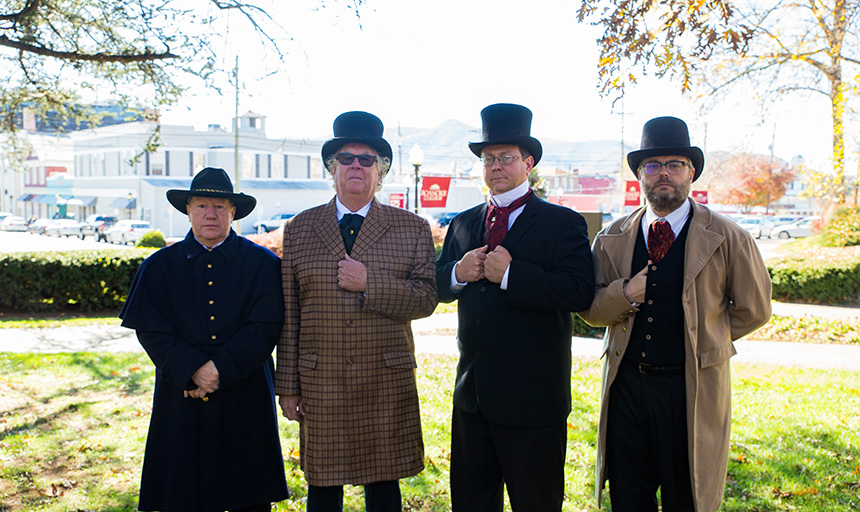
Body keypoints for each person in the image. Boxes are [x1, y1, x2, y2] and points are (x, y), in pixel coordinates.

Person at [579, 116, 772, 512]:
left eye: (674, 164)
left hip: (691, 388)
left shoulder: (729, 237)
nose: (663, 173)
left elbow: (755, 309)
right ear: (639, 175)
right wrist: (626, 293)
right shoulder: (611, 238)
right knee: (629, 497)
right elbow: (591, 312)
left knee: (688, 495)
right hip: (627, 389)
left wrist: (705, 336)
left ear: (691, 173)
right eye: (652, 166)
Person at [435, 103, 595, 511]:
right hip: (472, 399)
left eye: (506, 157)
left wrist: (511, 275)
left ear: (529, 163)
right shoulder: (463, 223)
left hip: (533, 402)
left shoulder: (563, 223)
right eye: (489, 159)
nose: (496, 166)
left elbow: (579, 292)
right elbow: (437, 284)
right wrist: (457, 272)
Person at [276, 111, 438, 511]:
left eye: (367, 159)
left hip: (384, 380)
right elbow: (290, 312)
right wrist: (288, 386)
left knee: (384, 487)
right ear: (332, 168)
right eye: (346, 158)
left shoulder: (412, 228)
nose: (356, 166)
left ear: (380, 172)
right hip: (321, 380)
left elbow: (425, 298)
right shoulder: (299, 228)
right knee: (323, 487)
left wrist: (371, 282)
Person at [119, 167, 288, 512]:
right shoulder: (159, 266)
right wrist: (192, 368)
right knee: (183, 493)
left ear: (233, 212)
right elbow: (151, 329)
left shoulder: (264, 265)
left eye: (220, 206)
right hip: (181, 394)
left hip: (245, 395)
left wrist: (217, 370)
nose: (210, 214)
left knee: (247, 495)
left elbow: (265, 326)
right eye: (201, 206)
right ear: (188, 210)